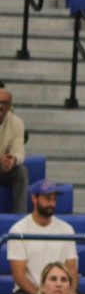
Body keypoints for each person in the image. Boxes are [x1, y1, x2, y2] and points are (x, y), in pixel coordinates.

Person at [8, 179, 77, 294]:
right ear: (34, 199)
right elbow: (19, 274)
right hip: (29, 292)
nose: (52, 204)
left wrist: (70, 292)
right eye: (47, 199)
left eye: (54, 199)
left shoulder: (67, 230)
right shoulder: (17, 231)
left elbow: (72, 269)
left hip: (59, 292)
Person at [0, 85, 28, 214]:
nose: (0, 106)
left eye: (4, 103)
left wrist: (12, 160)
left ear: (10, 106)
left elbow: (19, 151)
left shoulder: (17, 123)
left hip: (4, 169)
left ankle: (19, 218)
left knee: (21, 171)